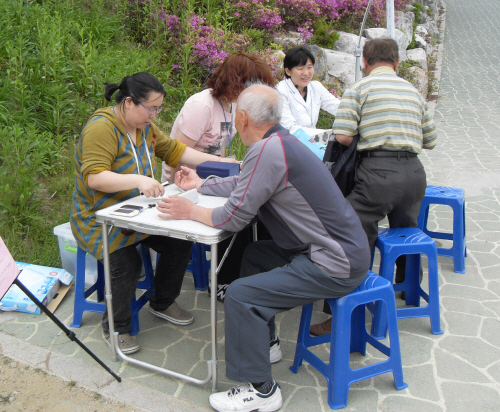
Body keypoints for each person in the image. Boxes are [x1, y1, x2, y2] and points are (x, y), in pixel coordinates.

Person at [156, 83, 370, 412]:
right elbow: (248, 183)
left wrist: (190, 210)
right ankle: (266, 342)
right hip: (341, 251)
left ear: (242, 118)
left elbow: (234, 217)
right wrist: (202, 184)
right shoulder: (280, 143)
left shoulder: (267, 149)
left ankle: (262, 389)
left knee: (242, 295)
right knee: (255, 256)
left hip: (334, 264)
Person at [70, 72, 236, 355]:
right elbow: (95, 178)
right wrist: (139, 180)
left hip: (139, 212)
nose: (155, 115)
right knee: (127, 262)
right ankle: (117, 327)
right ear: (129, 103)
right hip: (99, 218)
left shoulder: (144, 127)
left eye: (158, 109)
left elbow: (176, 151)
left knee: (180, 240)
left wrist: (221, 162)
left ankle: (162, 301)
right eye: (152, 108)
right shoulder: (102, 128)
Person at [309, 38, 438, 336]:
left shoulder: (359, 89)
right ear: (395, 63)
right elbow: (430, 141)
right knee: (406, 228)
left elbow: (341, 135)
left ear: (365, 63)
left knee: (350, 230)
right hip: (414, 175)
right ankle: (408, 290)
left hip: (378, 175)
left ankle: (343, 312)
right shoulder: (413, 92)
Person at [162, 52, 276, 300]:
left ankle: (234, 274)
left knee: (249, 211)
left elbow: (220, 146)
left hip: (212, 176)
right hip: (184, 182)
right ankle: (224, 281)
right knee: (234, 215)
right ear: (237, 81)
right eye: (251, 85)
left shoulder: (233, 104)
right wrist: (221, 164)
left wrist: (225, 167)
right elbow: (177, 155)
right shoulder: (201, 106)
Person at [276, 46, 341, 137]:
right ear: (288, 71)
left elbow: (337, 107)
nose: (306, 73)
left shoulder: (316, 87)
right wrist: (327, 134)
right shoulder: (280, 91)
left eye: (309, 67)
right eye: (300, 69)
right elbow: (289, 128)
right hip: (290, 142)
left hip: (314, 141)